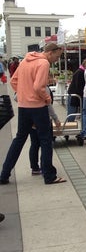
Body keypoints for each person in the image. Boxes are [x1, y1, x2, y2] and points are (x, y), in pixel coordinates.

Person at [0, 43, 67, 185]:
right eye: (57, 56)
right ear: (50, 52)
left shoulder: (25, 61)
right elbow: (38, 87)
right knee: (45, 140)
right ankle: (49, 176)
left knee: (19, 139)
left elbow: (14, 81)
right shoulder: (43, 63)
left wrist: (24, 93)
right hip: (38, 106)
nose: (57, 59)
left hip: (24, 106)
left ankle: (4, 174)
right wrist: (46, 98)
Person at [29, 86, 62, 175]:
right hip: (44, 119)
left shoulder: (28, 85)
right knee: (46, 144)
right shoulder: (43, 87)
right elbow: (48, 105)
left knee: (34, 144)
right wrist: (55, 118)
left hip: (31, 119)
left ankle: (34, 167)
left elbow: (16, 97)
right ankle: (45, 167)